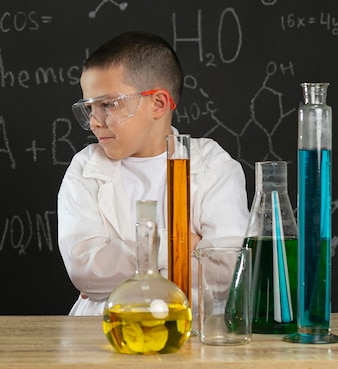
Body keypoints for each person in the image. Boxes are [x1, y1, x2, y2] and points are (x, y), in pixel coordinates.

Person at [57, 31, 249, 316]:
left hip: (192, 336)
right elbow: (86, 273)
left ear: (158, 103)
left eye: (108, 104)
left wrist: (123, 268)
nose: (95, 122)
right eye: (89, 107)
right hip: (100, 336)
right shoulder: (84, 169)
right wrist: (181, 244)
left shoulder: (212, 164)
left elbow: (227, 272)